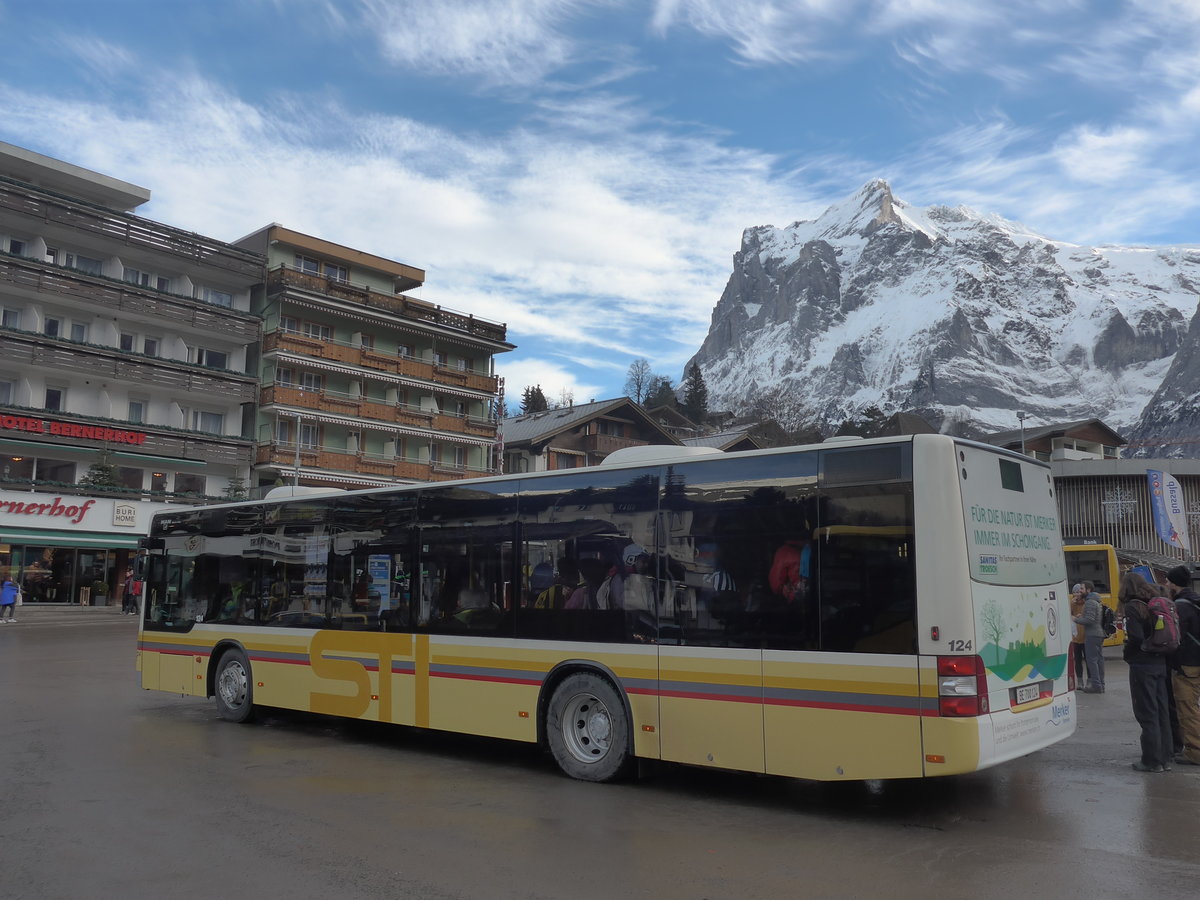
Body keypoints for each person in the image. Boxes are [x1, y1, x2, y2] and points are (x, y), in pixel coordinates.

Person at [1124, 581, 1175, 772]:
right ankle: (1165, 758)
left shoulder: (1133, 607)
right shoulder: (1155, 604)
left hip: (1142, 664)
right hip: (1159, 662)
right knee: (1162, 711)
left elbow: (1136, 637)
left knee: (1147, 712)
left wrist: (1128, 654)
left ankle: (1151, 760)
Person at [1165, 565, 1200, 766]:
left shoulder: (1180, 606)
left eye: (1168, 581)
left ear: (1174, 584)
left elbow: (1176, 638)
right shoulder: (1195, 600)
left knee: (1187, 709)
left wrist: (1174, 661)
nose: (1166, 584)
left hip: (1188, 664)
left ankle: (1195, 752)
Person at [1072, 580, 1105, 693]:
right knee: (1099, 660)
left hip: (1092, 635)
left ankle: (1096, 685)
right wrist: (1082, 616)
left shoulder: (1090, 602)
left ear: (1088, 590)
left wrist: (1076, 619)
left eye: (1082, 588)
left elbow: (1090, 620)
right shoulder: (1095, 600)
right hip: (1098, 634)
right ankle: (1101, 684)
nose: (1080, 591)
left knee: (1092, 661)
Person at [1069, 583, 1087, 682]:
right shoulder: (1072, 603)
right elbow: (1067, 614)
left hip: (1085, 637)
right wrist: (1071, 604)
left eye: (1078, 592)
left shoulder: (1086, 603)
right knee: (1078, 660)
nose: (1076, 594)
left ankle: (1090, 680)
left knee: (1088, 660)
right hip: (1075, 638)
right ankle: (1080, 680)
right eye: (1074, 592)